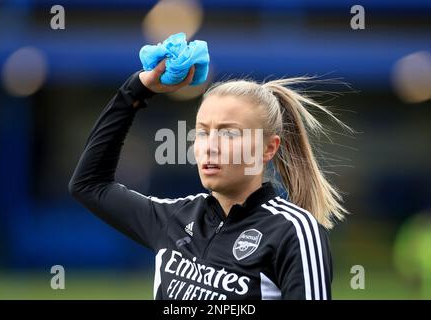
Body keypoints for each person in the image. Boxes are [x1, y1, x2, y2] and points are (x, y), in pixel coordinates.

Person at [69, 59, 350, 300]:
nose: (209, 146)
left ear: (268, 148)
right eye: (203, 132)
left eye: (228, 133)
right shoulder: (174, 218)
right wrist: (137, 89)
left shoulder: (294, 231)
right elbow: (89, 184)